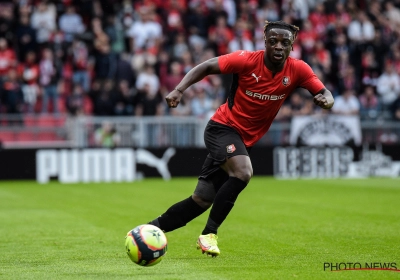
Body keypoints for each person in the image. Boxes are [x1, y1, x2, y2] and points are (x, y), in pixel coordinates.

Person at [147, 21, 334, 257]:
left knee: (201, 200)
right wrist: (179, 89)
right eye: (273, 41)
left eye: (284, 43)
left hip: (242, 140)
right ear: (264, 41)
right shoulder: (246, 60)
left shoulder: (298, 70)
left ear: (292, 46)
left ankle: (148, 229)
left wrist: (327, 100)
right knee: (243, 172)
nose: (278, 46)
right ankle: (208, 235)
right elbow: (206, 66)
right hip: (221, 128)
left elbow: (324, 92)